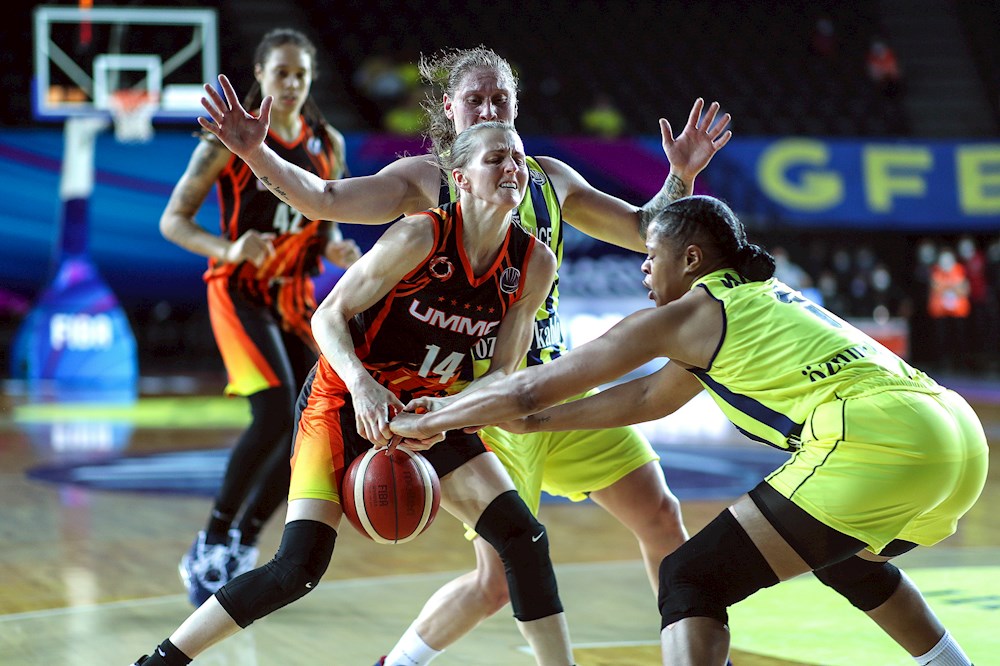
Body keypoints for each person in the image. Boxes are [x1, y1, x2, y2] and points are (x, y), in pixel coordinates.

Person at [189, 45, 732, 665]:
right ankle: (399, 662)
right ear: (450, 111)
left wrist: (680, 177)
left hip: (556, 379)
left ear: (517, 105)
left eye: (500, 97)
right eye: (474, 98)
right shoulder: (426, 182)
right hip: (476, 398)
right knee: (500, 576)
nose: (489, 107)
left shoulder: (548, 178)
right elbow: (327, 198)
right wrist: (256, 151)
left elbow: (644, 229)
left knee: (660, 514)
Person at [389, 195, 988, 666]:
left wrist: (429, 419)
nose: (643, 266)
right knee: (843, 556)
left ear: (692, 260)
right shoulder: (760, 298)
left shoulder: (685, 316)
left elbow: (525, 386)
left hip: (877, 437)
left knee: (688, 577)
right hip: (955, 435)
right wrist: (538, 422)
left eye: (651, 254)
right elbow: (652, 397)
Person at [132, 121, 583, 666]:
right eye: (497, 159)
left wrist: (445, 412)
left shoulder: (534, 262)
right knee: (297, 569)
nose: (513, 167)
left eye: (517, 156)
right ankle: (159, 662)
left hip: (427, 409)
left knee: (523, 538)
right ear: (460, 177)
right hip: (344, 398)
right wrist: (363, 385)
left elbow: (505, 371)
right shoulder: (420, 234)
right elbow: (329, 317)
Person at [159, 28, 361, 607]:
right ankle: (211, 538)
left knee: (311, 421)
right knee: (274, 408)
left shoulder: (329, 142)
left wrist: (336, 247)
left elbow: (326, 218)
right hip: (240, 288)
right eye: (281, 74)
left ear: (311, 75)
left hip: (294, 293)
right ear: (261, 74)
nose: (293, 84)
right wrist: (227, 249)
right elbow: (172, 221)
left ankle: (243, 543)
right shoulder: (228, 139)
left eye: (301, 74)